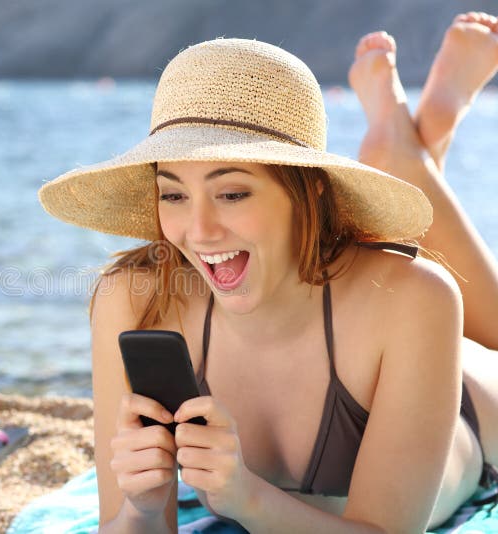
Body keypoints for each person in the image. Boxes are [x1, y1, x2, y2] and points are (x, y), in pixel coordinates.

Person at [38, 12, 498, 533]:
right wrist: (142, 509)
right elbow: (124, 527)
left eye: (232, 193)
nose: (200, 230)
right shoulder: (134, 302)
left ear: (310, 189)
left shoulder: (412, 298)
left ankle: (419, 137)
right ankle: (411, 147)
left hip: (468, 404)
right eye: (174, 194)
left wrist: (247, 498)